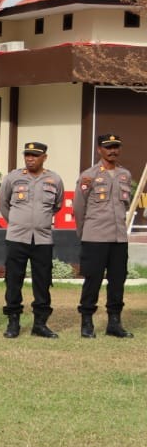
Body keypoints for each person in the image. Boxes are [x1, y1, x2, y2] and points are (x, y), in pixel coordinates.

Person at [0, 142, 65, 339]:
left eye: (35, 155)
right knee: (13, 281)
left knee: (42, 282)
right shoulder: (13, 177)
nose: (30, 158)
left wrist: (39, 221)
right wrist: (18, 222)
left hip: (43, 239)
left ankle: (40, 324)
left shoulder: (54, 179)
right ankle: (13, 322)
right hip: (17, 238)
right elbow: (3, 203)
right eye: (27, 155)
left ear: (44, 157)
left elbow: (57, 206)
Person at [73, 133, 135, 339]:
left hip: (119, 238)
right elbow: (79, 207)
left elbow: (125, 205)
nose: (113, 151)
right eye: (108, 147)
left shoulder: (125, 174)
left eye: (116, 147)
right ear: (99, 150)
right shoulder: (88, 176)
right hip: (95, 237)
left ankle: (114, 323)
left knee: (118, 280)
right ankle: (87, 321)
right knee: (93, 280)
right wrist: (84, 232)